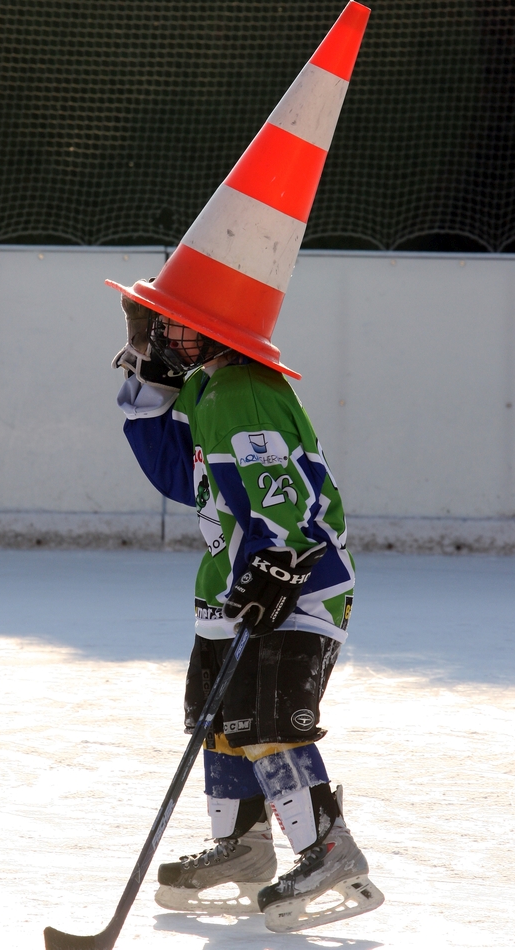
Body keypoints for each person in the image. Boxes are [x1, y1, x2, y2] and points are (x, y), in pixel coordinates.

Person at [109, 292, 384, 933]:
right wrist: (145, 371)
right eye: (160, 325)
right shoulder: (210, 387)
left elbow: (283, 491)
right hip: (232, 584)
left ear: (219, 328)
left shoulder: (245, 391)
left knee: (267, 722)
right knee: (220, 722)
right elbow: (183, 478)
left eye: (175, 323)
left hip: (296, 583)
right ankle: (245, 843)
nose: (166, 334)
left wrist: (277, 563)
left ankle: (328, 849)